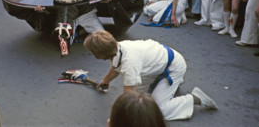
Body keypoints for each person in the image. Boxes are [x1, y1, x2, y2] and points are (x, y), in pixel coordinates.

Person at [84, 30, 218, 121]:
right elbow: (115, 67)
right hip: (156, 64)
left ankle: (195, 98)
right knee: (142, 100)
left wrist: (117, 120)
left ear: (100, 54)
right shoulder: (119, 47)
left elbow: (128, 97)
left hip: (173, 67)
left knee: (155, 110)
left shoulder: (130, 63)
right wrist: (105, 81)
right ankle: (171, 84)